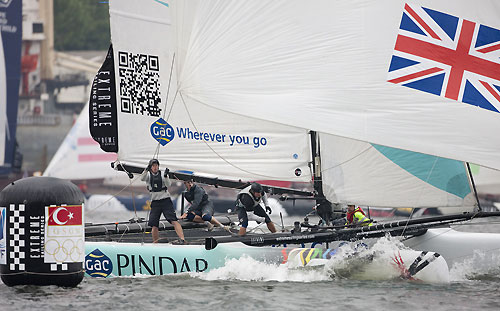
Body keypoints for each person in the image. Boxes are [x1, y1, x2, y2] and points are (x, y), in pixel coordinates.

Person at [141, 159, 186, 244]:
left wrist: (166, 177)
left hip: (165, 200)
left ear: (158, 166)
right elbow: (142, 178)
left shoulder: (162, 174)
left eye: (156, 165)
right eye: (153, 166)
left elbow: (168, 184)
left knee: (173, 220)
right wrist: (145, 170)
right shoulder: (148, 175)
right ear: (151, 167)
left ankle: (182, 239)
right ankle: (155, 243)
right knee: (154, 224)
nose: (155, 167)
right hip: (155, 201)